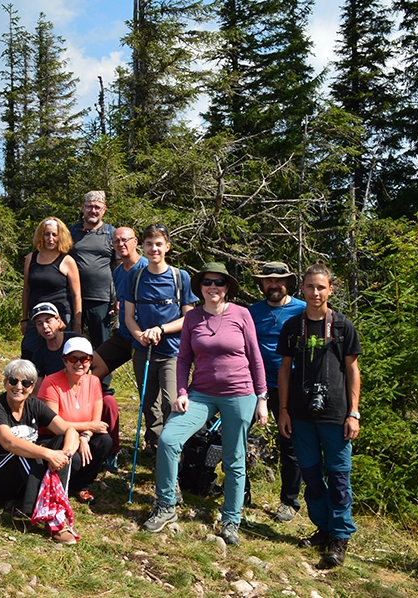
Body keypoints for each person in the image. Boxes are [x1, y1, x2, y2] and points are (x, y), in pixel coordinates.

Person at [142, 262, 268, 548]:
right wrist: (182, 392)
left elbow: (255, 357)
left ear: (227, 288)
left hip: (240, 393)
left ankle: (230, 520)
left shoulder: (242, 314)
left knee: (235, 458)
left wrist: (262, 398)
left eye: (219, 282)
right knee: (169, 439)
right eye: (207, 282)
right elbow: (184, 357)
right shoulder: (192, 318)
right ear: (199, 287)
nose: (213, 287)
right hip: (200, 394)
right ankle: (166, 506)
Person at [277, 262, 362, 569]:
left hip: (336, 415)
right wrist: (283, 410)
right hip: (300, 415)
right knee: (311, 477)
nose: (315, 293)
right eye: (310, 287)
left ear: (330, 290)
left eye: (321, 287)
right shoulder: (292, 327)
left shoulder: (342, 326)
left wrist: (354, 413)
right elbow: (284, 371)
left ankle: (340, 537)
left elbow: (353, 370)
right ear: (302, 288)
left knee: (339, 478)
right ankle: (323, 528)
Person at [0, 359, 82, 544]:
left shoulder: (35, 405)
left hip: (21, 478)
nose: (19, 387)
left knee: (60, 444)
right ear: (5, 383)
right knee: (24, 452)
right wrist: (48, 454)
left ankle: (53, 506)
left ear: (32, 387)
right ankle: (54, 520)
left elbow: (70, 431)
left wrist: (64, 455)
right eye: (13, 381)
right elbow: (9, 442)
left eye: (25, 383)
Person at [125, 224, 197, 453]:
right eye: (149, 244)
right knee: (148, 401)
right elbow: (128, 317)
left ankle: (171, 445)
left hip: (173, 351)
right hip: (143, 349)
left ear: (167, 247)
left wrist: (161, 329)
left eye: (158, 244)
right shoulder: (135, 276)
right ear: (142, 246)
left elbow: (189, 318)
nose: (153, 249)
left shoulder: (180, 277)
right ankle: (153, 442)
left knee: (171, 401)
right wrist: (140, 335)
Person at [248, 262, 307, 523]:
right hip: (252, 384)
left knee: (290, 444)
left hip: (292, 386)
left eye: (279, 280)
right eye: (268, 280)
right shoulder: (250, 313)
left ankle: (289, 501)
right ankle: (240, 492)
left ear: (289, 283)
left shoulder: (304, 311)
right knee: (235, 436)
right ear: (261, 284)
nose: (273, 285)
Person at [88, 226, 146, 471]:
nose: (121, 244)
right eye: (116, 241)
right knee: (92, 369)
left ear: (135, 242)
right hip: (123, 334)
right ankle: (91, 427)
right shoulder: (118, 270)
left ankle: (154, 445)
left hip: (144, 337)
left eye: (125, 240)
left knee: (148, 394)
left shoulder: (145, 268)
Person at [38, 337, 113, 504]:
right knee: (76, 458)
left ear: (90, 361)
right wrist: (83, 432)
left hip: (83, 435)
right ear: (64, 360)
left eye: (85, 358)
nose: (79, 363)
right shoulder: (51, 382)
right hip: (55, 437)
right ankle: (60, 485)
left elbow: (97, 421)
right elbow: (52, 424)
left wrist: (85, 436)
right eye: (73, 358)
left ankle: (82, 486)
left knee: (104, 441)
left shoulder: (93, 381)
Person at [68, 191, 117, 392]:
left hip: (102, 298)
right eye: (89, 206)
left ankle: (101, 388)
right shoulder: (72, 232)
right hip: (73, 298)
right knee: (72, 342)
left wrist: (118, 297)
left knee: (101, 345)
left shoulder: (111, 233)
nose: (93, 210)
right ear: (82, 208)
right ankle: (71, 383)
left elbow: (118, 267)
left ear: (103, 210)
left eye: (97, 207)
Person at [20, 217, 82, 359]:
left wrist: (77, 324)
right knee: (29, 352)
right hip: (36, 317)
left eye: (55, 235)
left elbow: (76, 295)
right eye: (47, 234)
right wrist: (24, 318)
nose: (50, 238)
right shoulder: (31, 258)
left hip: (60, 316)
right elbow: (27, 290)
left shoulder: (67, 261)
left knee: (59, 357)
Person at [20, 302, 82, 387]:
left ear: (58, 321)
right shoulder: (39, 354)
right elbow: (36, 388)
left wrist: (86, 385)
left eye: (48, 321)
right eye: (39, 323)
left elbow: (100, 367)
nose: (45, 326)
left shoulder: (75, 340)